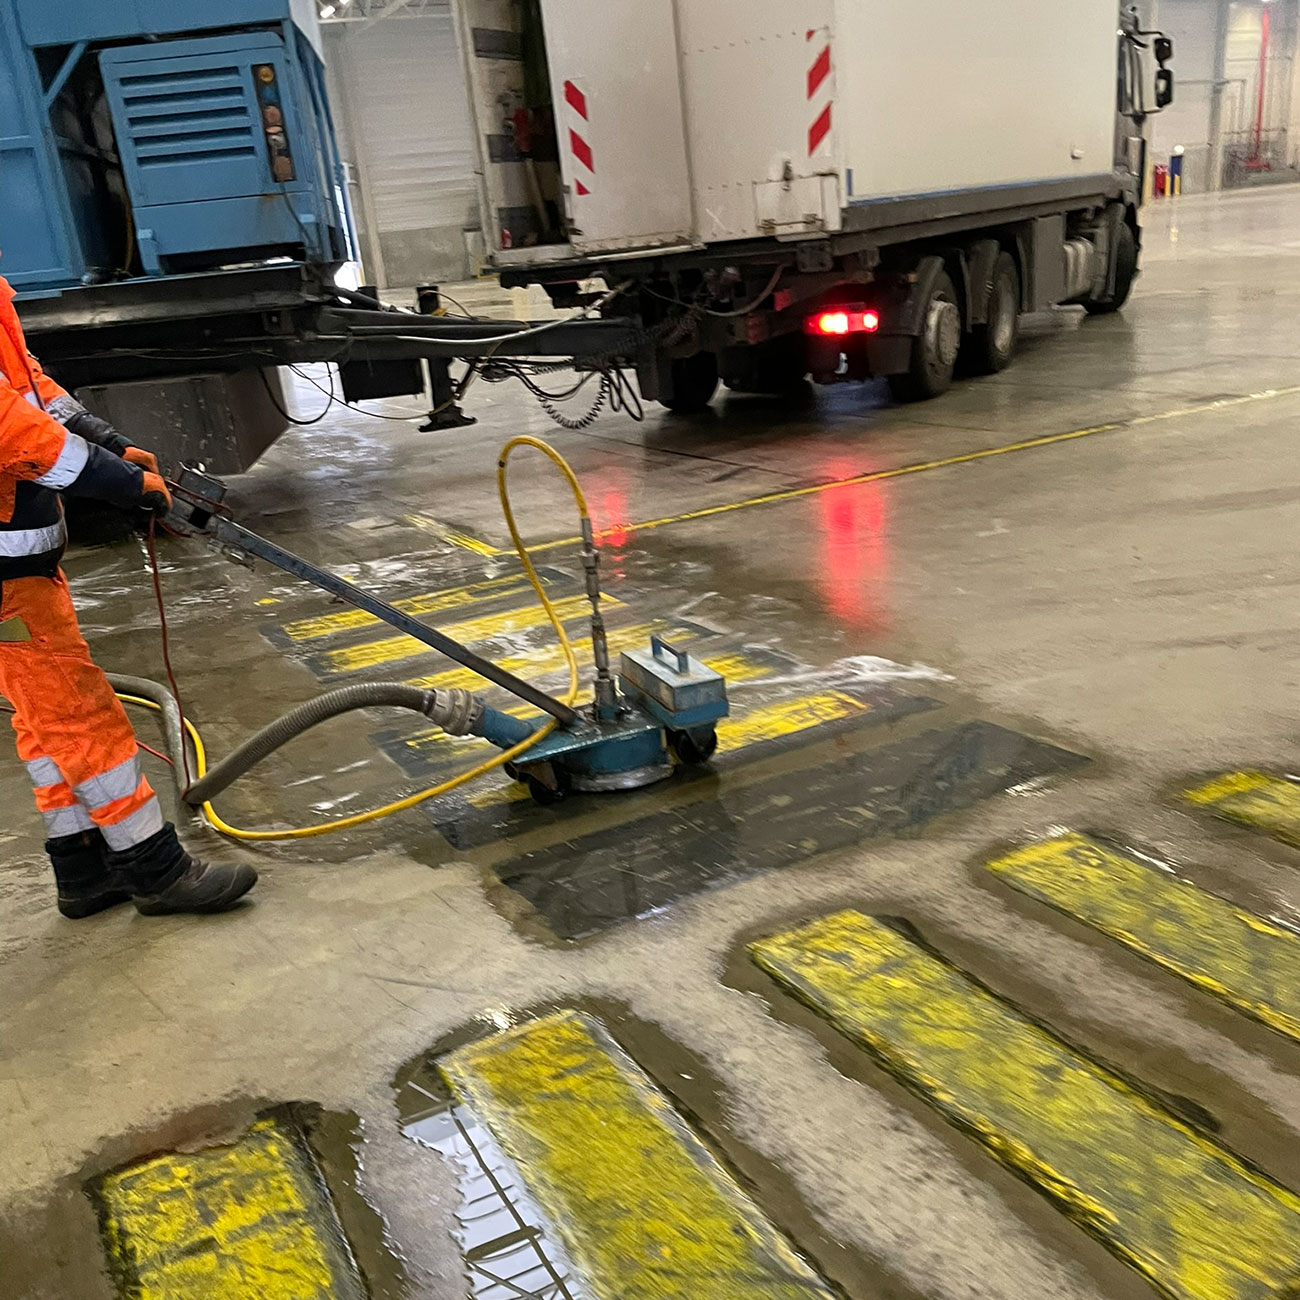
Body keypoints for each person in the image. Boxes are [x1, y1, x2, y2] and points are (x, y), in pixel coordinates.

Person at [0, 274, 256, 917]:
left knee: (44, 717)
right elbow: (16, 432)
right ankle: (155, 869)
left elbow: (32, 389)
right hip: (6, 584)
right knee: (78, 712)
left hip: (22, 572)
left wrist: (112, 443)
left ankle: (83, 868)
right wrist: (122, 483)